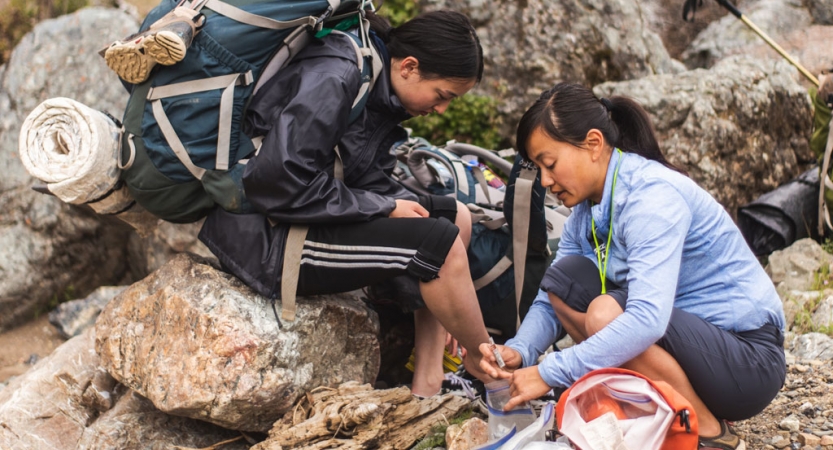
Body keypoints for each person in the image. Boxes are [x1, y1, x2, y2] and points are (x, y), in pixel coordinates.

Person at [198, 9, 493, 398]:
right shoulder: (337, 75)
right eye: (442, 96)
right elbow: (276, 182)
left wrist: (392, 204)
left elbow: (359, 175)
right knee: (436, 247)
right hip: (270, 237)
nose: (441, 110)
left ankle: (427, 381)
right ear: (409, 66)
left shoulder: (373, 80)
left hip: (303, 213)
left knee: (455, 218)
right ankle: (483, 358)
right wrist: (383, 208)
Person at [480, 82, 786, 449]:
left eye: (549, 165)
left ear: (593, 144)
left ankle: (707, 431)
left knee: (607, 314)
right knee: (566, 281)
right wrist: (521, 350)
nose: (545, 181)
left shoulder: (651, 197)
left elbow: (647, 319)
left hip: (747, 362)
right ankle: (655, 409)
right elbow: (552, 295)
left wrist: (548, 372)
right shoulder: (586, 212)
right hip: (696, 353)